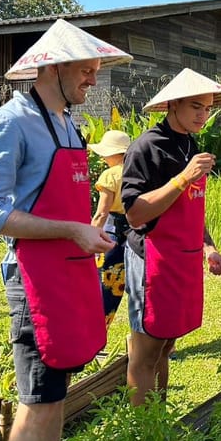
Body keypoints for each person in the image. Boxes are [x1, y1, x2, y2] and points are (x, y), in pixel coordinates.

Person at [0, 19, 132, 441]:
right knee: (36, 405)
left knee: (54, 397)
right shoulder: (10, 124)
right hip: (35, 280)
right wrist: (70, 230)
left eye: (96, 70)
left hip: (71, 270)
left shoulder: (67, 124)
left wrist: (86, 231)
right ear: (51, 68)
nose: (94, 80)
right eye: (86, 71)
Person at [121, 68, 221, 407]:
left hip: (183, 258)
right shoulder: (146, 147)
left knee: (166, 345)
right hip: (152, 259)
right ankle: (140, 437)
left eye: (208, 108)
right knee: (144, 351)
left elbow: (188, 207)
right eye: (196, 107)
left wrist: (208, 245)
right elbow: (135, 213)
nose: (204, 115)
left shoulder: (189, 142)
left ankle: (158, 420)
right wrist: (183, 177)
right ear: (173, 105)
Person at [89, 129, 133, 328]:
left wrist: (90, 235)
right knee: (141, 287)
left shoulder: (110, 176)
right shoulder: (138, 171)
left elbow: (102, 212)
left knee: (108, 287)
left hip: (113, 234)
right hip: (137, 232)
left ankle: (97, 331)